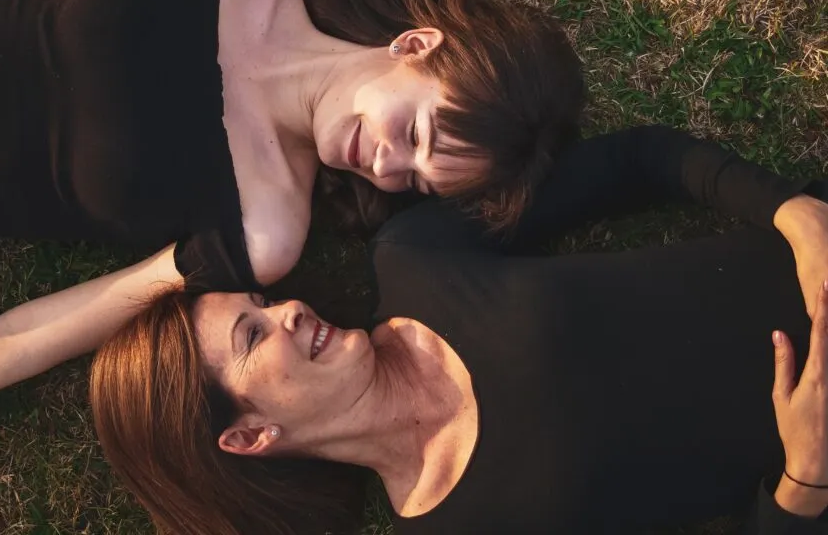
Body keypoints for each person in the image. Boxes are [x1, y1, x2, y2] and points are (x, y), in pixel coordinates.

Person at [0, 0, 583, 449]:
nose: (385, 164)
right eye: (414, 131)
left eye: (412, 182)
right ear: (416, 46)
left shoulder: (266, 228)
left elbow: (41, 331)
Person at [89, 126, 828, 535]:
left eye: (260, 301)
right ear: (248, 436)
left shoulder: (415, 257)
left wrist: (794, 215)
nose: (285, 311)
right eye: (252, 337)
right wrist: (805, 480)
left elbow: (634, 163)